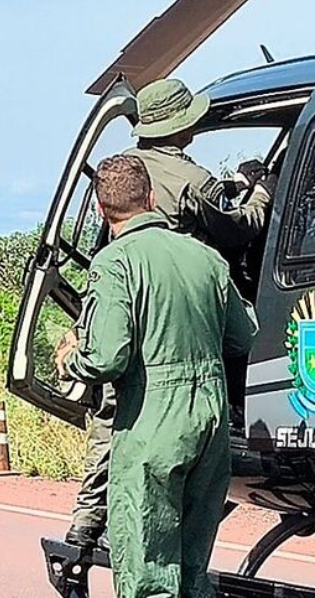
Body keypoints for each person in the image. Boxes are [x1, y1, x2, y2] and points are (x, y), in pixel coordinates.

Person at [55, 155, 258, 597]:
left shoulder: (115, 262)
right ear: (149, 198)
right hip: (210, 421)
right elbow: (245, 337)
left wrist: (70, 357)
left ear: (99, 210)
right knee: (192, 572)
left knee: (148, 573)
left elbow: (107, 357)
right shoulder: (206, 258)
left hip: (153, 424)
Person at [124, 78, 270, 250]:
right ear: (182, 130)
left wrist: (236, 185)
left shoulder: (124, 166)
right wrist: (263, 194)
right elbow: (237, 230)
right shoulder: (193, 179)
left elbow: (180, 195)